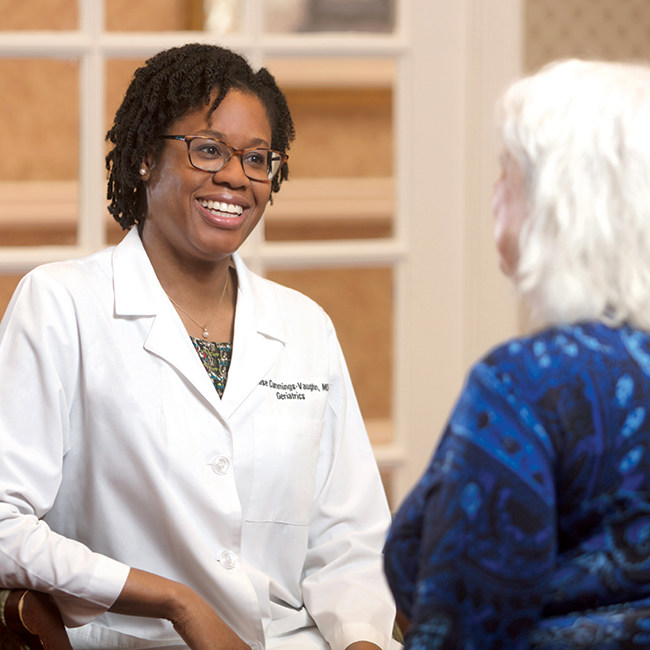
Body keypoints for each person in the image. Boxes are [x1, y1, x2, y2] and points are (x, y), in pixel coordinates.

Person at [0, 43, 398, 650]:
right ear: (143, 160)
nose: (236, 177)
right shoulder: (61, 305)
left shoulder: (304, 325)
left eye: (258, 158)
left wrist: (364, 640)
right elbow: (4, 526)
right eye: (208, 150)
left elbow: (350, 536)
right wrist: (177, 601)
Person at [384, 59, 650, 650]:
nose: (495, 196)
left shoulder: (530, 382)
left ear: (561, 205)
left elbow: (463, 628)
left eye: (507, 175)